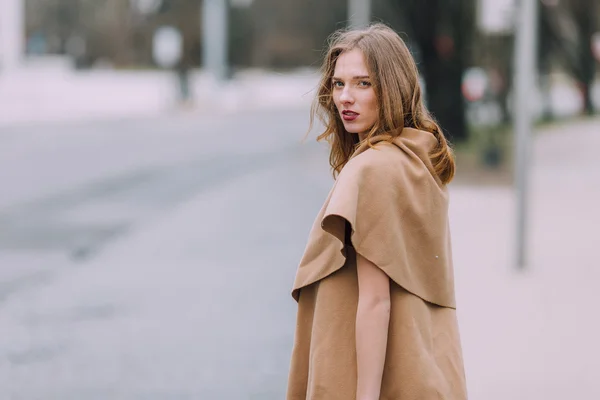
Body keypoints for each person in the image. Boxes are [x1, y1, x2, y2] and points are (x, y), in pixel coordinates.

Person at [286, 24, 467, 400]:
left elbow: (375, 300)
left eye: (362, 84)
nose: (345, 98)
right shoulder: (415, 159)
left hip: (362, 380)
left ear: (393, 88)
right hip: (427, 369)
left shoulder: (372, 169)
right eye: (338, 84)